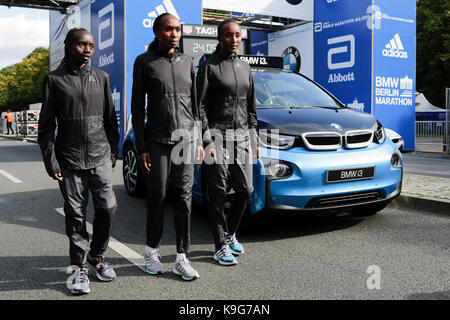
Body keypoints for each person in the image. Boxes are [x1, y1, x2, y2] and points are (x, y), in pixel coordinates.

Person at [38, 28, 120, 295]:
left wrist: (113, 152)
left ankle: (97, 255)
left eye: (92, 45)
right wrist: (52, 162)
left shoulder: (102, 78)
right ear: (69, 45)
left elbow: (110, 119)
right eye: (82, 44)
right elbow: (46, 126)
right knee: (76, 215)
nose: (87, 50)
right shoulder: (54, 80)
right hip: (69, 160)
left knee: (108, 208)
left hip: (99, 157)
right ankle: (79, 268)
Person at [131, 13, 204, 281]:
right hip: (158, 140)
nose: (175, 34)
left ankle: (182, 258)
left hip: (185, 140)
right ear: (157, 31)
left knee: (184, 198)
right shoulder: (144, 62)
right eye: (169, 29)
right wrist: (142, 146)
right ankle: (151, 251)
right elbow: (137, 109)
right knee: (158, 195)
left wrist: (197, 139)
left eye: (178, 30)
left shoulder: (187, 62)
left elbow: (196, 106)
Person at [197, 19, 259, 266]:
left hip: (242, 136)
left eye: (237, 35)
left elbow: (251, 105)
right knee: (218, 192)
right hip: (217, 135)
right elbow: (199, 106)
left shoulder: (245, 67)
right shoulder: (208, 67)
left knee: (245, 190)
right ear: (219, 37)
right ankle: (219, 245)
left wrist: (253, 137)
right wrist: (207, 139)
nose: (233, 40)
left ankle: (230, 234)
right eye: (228, 35)